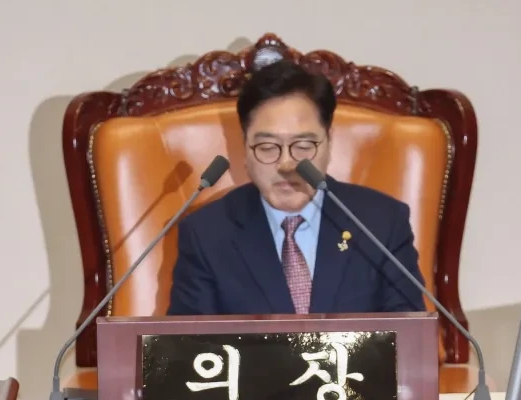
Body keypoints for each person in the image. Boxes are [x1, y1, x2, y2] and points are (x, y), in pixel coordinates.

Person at [167, 59, 426, 317]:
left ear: (328, 143)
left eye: (303, 146)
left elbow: (411, 334)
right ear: (245, 150)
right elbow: (188, 339)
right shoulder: (206, 235)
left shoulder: (381, 224)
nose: (286, 164)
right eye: (267, 147)